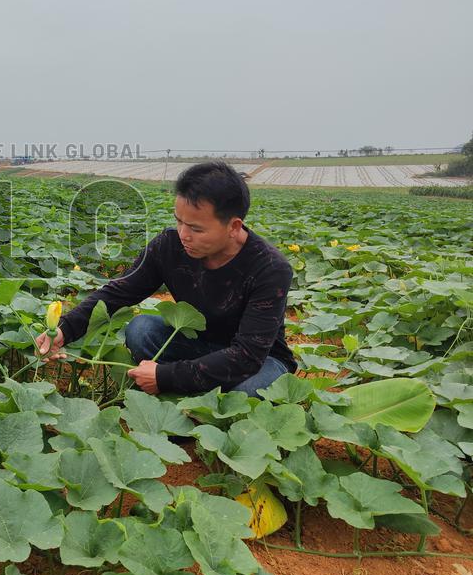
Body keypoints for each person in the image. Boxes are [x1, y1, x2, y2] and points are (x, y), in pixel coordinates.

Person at [35, 160, 296, 398]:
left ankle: (192, 388)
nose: (184, 234)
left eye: (196, 228)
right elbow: (118, 293)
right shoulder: (168, 246)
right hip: (199, 345)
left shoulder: (270, 268)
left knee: (247, 393)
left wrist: (166, 376)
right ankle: (196, 385)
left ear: (234, 227)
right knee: (141, 330)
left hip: (260, 360)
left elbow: (247, 357)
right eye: (179, 221)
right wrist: (64, 330)